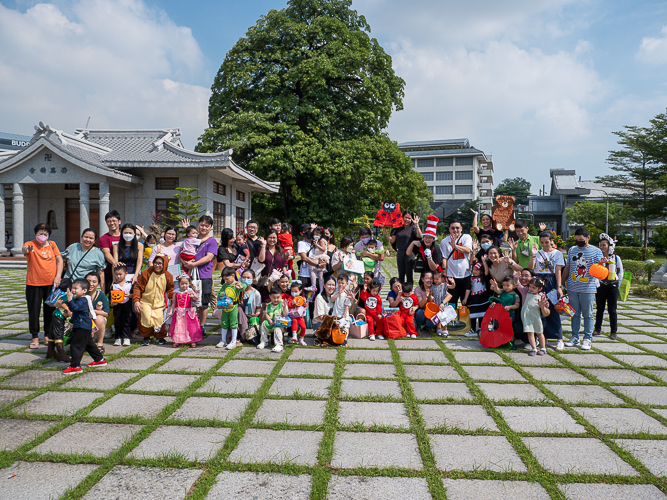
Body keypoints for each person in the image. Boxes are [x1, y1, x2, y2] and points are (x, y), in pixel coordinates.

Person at [23, 223, 63, 349]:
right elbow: (25, 250)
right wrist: (26, 249)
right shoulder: (30, 244)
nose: (42, 236)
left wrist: (58, 276)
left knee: (50, 310)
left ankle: (47, 335)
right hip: (34, 283)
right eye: (40, 233)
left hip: (51, 284)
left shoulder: (52, 244)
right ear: (36, 234)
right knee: (34, 311)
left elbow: (59, 260)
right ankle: (35, 337)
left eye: (45, 234)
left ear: (49, 235)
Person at [563, 227, 603, 351]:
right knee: (574, 313)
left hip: (588, 288)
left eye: (581, 240)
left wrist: (601, 264)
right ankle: (574, 336)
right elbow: (568, 267)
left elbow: (600, 270)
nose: (579, 242)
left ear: (588, 238)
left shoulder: (596, 251)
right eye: (577, 240)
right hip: (573, 286)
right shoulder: (572, 250)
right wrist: (561, 283)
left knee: (588, 314)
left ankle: (587, 338)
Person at [57, 279, 106, 374]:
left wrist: (70, 299)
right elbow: (77, 313)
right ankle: (99, 359)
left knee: (76, 346)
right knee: (89, 344)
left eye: (76, 288)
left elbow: (74, 308)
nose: (73, 290)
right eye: (72, 288)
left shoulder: (82, 300)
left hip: (82, 326)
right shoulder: (80, 300)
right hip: (83, 325)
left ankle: (75, 366)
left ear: (84, 290)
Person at [181, 216, 218, 334]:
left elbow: (209, 257)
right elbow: (183, 250)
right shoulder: (193, 237)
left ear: (210, 227)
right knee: (188, 300)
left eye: (207, 226)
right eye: (202, 225)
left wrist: (194, 264)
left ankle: (201, 326)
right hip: (189, 275)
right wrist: (186, 263)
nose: (204, 227)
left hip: (204, 274)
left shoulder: (211, 241)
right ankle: (189, 324)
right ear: (198, 225)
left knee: (203, 301)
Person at [528, 232, 565, 350]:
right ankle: (541, 336)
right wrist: (533, 256)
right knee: (539, 310)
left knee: (554, 310)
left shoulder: (557, 253)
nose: (544, 245)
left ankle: (560, 338)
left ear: (551, 241)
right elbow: (530, 268)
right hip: (539, 281)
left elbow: (558, 271)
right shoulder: (538, 253)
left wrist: (559, 286)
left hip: (551, 281)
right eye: (542, 242)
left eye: (546, 242)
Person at [133, 255, 175, 345]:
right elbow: (138, 287)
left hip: (159, 303)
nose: (157, 265)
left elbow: (170, 289)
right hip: (146, 301)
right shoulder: (146, 273)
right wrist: (136, 301)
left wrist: (172, 298)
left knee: (159, 319)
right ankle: (146, 337)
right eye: (156, 263)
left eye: (160, 263)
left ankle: (159, 336)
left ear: (165, 264)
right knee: (146, 318)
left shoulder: (168, 276)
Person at [594, 234, 624, 340]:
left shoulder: (616, 258)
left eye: (604, 245)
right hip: (601, 286)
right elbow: (595, 271)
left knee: (612, 310)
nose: (602, 247)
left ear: (610, 246)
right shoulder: (598, 258)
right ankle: (597, 329)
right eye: (600, 245)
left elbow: (620, 273)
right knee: (599, 309)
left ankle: (613, 332)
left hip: (612, 286)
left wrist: (616, 285)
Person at [440, 219, 472, 307]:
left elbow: (468, 250)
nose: (455, 230)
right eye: (453, 228)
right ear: (449, 229)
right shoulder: (444, 242)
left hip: (465, 275)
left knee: (466, 303)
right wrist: (444, 274)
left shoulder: (466, 237)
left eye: (457, 228)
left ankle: (466, 320)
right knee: (451, 303)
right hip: (451, 276)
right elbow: (444, 259)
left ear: (461, 228)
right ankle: (452, 320)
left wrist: (455, 246)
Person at [384, 211, 421, 284]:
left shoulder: (413, 228)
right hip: (400, 253)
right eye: (406, 217)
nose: (407, 219)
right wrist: (384, 232)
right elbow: (392, 240)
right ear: (402, 217)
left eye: (409, 218)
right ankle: (401, 292)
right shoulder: (398, 228)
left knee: (409, 274)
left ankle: (409, 292)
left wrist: (416, 225)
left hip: (410, 254)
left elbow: (420, 236)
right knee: (401, 274)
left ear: (411, 220)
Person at [215, 267, 246, 350]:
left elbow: (244, 286)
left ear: (233, 275)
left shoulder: (237, 284)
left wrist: (240, 286)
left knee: (233, 323)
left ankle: (233, 341)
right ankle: (223, 340)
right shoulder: (225, 285)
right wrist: (221, 294)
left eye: (227, 279)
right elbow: (220, 292)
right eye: (224, 279)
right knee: (224, 322)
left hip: (234, 307)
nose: (226, 281)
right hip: (225, 307)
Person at [168, 274, 202, 348]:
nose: (184, 285)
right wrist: (171, 312)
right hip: (179, 312)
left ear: (189, 283)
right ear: (179, 283)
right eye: (182, 284)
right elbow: (173, 303)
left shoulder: (190, 291)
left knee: (189, 326)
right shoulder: (176, 292)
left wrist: (193, 296)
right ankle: (178, 340)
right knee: (179, 326)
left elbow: (196, 298)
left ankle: (191, 340)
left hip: (188, 311)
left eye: (186, 283)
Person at [521, 277, 551, 356]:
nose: (531, 289)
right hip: (527, 316)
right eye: (530, 286)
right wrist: (516, 279)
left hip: (536, 317)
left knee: (539, 332)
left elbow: (546, 306)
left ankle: (543, 348)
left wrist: (543, 305)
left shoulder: (541, 296)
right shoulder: (526, 293)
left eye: (534, 288)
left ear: (540, 288)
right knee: (530, 332)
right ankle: (534, 348)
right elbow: (518, 286)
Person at [257, 229, 288, 298]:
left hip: (278, 282)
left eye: (274, 238)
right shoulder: (262, 249)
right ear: (266, 238)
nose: (272, 240)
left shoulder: (280, 250)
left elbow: (284, 266)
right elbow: (261, 260)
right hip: (266, 281)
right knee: (266, 303)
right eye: (270, 237)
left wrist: (286, 279)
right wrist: (264, 245)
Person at [98, 210, 122, 293]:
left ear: (119, 222)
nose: (112, 223)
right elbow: (106, 252)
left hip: (125, 272)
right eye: (109, 221)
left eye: (114, 221)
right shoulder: (104, 238)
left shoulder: (125, 236)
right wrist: (116, 263)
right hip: (109, 273)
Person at [260, 285, 288, 352]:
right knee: (264, 324)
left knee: (277, 327)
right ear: (270, 297)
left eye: (278, 297)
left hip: (280, 323)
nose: (276, 300)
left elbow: (285, 314)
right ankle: (264, 341)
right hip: (271, 322)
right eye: (274, 298)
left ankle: (279, 344)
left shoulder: (282, 303)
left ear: (281, 296)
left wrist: (284, 307)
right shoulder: (269, 305)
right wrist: (269, 320)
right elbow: (266, 313)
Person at [86, 271, 109, 353]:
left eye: (94, 282)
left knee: (100, 318)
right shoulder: (81, 294)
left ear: (98, 284)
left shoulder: (101, 295)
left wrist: (92, 311)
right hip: (84, 319)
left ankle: (100, 343)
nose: (91, 284)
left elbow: (106, 313)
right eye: (88, 281)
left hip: (96, 319)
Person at [111, 264, 133, 347]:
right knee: (117, 321)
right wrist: (112, 302)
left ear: (126, 274)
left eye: (120, 274)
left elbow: (134, 294)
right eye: (116, 274)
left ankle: (126, 337)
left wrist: (130, 295)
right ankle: (118, 337)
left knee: (127, 321)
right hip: (117, 306)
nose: (118, 276)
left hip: (127, 305)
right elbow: (110, 296)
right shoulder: (114, 285)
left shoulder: (129, 284)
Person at [297, 226, 325, 290]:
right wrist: (317, 265)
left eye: (309, 230)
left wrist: (323, 262)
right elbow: (304, 258)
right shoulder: (301, 243)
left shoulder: (317, 242)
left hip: (317, 275)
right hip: (305, 275)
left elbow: (323, 252)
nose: (308, 232)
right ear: (301, 233)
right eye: (305, 231)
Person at [466, 263, 490, 335]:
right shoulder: (470, 278)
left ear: (481, 271)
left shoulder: (484, 277)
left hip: (483, 298)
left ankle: (480, 328)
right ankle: (473, 329)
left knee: (481, 314)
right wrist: (465, 298)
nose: (475, 271)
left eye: (477, 270)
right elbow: (468, 289)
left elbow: (486, 271)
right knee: (473, 314)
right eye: (474, 269)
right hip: (473, 299)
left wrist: (484, 262)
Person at [287, 281, 307, 346]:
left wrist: (304, 303)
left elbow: (305, 306)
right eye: (292, 291)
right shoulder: (290, 298)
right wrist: (292, 303)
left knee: (303, 327)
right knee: (294, 321)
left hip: (300, 316)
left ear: (300, 291)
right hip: (293, 316)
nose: (294, 293)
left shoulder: (302, 298)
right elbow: (289, 305)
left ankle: (301, 339)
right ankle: (294, 335)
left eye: (296, 291)